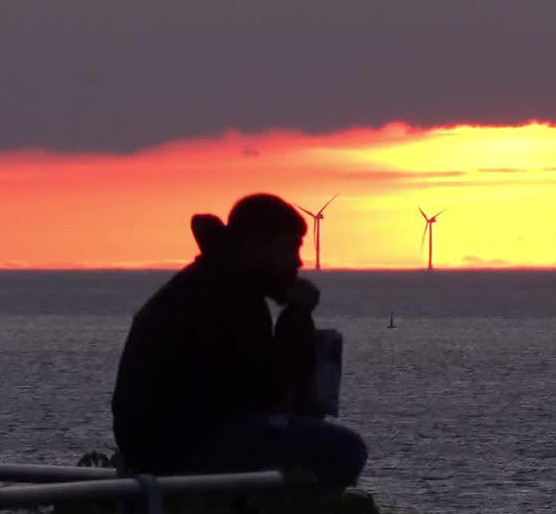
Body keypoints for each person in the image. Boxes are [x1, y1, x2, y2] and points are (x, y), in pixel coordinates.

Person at [112, 193, 368, 488]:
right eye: (291, 248)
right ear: (258, 246)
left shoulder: (214, 282)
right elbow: (262, 390)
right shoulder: (226, 295)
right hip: (180, 448)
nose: (298, 262)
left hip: (163, 442)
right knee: (345, 450)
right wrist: (296, 315)